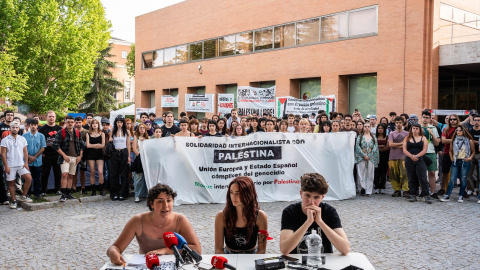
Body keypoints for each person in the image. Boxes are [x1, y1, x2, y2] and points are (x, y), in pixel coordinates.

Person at [106, 184, 201, 264]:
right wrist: (113, 253)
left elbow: (197, 249)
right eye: (160, 201)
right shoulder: (138, 221)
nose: (165, 206)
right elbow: (114, 247)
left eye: (169, 201)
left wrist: (165, 251)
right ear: (151, 204)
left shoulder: (180, 219)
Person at [280, 173, 350, 255]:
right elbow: (284, 250)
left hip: (323, 261)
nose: (311, 202)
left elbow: (345, 249)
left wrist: (320, 222)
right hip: (297, 261)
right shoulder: (290, 212)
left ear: (322, 198)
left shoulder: (329, 211)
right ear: (301, 194)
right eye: (307, 195)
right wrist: (308, 222)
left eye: (316, 197)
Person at [215, 176, 268, 254]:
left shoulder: (260, 216)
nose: (233, 197)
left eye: (238, 193)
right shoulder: (221, 216)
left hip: (252, 255)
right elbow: (218, 250)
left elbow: (261, 250)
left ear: (248, 194)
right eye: (231, 192)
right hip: (229, 255)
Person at [1, 121, 33, 209]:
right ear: (10, 128)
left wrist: (26, 163)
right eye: (13, 127)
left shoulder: (22, 139)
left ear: (19, 128)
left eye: (16, 127)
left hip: (21, 164)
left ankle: (23, 196)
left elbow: (25, 152)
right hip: (10, 165)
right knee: (11, 183)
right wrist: (6, 166)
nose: (14, 129)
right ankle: (14, 200)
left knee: (29, 178)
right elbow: (3, 154)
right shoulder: (5, 140)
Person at [53, 116, 84, 202]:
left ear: (73, 123)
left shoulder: (77, 133)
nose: (70, 123)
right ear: (65, 123)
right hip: (65, 157)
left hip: (75, 157)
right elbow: (55, 145)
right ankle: (63, 194)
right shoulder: (61, 132)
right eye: (68, 122)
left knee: (71, 176)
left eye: (71, 122)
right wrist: (64, 155)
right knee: (64, 174)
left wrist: (80, 156)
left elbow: (82, 145)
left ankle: (68, 193)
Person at [440, 125, 475, 203]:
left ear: (464, 131)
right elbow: (450, 150)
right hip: (455, 161)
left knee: (463, 179)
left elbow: (473, 152)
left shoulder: (469, 141)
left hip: (464, 161)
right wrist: (451, 157)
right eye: (457, 130)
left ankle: (460, 195)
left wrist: (469, 158)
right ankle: (447, 195)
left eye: (460, 130)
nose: (458, 132)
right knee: (452, 179)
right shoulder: (453, 140)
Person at [403, 123, 432, 203]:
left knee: (422, 177)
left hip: (420, 159)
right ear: (411, 129)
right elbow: (404, 149)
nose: (415, 130)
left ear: (419, 130)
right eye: (413, 128)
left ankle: (426, 195)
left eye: (416, 128)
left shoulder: (423, 138)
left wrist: (417, 156)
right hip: (409, 160)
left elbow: (424, 149)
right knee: (411, 177)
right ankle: (413, 194)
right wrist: (411, 156)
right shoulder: (407, 138)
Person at [109, 116, 131, 201]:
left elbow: (128, 144)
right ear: (115, 123)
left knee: (124, 174)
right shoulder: (112, 131)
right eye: (118, 122)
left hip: (124, 152)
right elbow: (110, 143)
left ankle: (123, 193)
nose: (119, 124)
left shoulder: (127, 132)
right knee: (114, 174)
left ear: (123, 123)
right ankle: (114, 193)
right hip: (115, 153)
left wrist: (129, 156)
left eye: (121, 122)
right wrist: (110, 139)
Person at [22, 119, 46, 199]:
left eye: (35, 125)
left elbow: (43, 148)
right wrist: (29, 157)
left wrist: (34, 157)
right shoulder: (24, 136)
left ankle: (37, 194)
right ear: (29, 126)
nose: (33, 126)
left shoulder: (41, 136)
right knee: (27, 178)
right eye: (32, 125)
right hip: (27, 161)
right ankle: (27, 193)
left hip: (37, 161)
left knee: (37, 178)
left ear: (37, 126)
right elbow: (22, 148)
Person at [354, 122, 379, 196]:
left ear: (370, 127)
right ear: (363, 127)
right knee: (361, 173)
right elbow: (357, 146)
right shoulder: (360, 137)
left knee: (370, 174)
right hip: (362, 157)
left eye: (368, 126)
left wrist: (370, 155)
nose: (367, 128)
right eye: (365, 126)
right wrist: (363, 155)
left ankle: (368, 190)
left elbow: (375, 147)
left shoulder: (374, 137)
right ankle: (362, 188)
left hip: (371, 157)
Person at [421, 111, 440, 198]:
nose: (425, 119)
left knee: (432, 172)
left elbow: (437, 143)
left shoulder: (433, 128)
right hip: (420, 152)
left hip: (431, 152)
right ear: (421, 117)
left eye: (427, 117)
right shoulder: (417, 127)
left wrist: (432, 133)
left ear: (430, 119)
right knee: (421, 173)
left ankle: (433, 192)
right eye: (424, 117)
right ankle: (423, 192)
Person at [388, 116, 409, 197]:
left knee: (404, 174)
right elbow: (390, 144)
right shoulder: (392, 133)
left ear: (402, 123)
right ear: (395, 123)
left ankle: (405, 190)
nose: (398, 124)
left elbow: (406, 145)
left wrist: (395, 145)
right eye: (397, 123)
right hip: (393, 157)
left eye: (400, 122)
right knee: (393, 174)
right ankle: (397, 190)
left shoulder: (407, 133)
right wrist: (401, 144)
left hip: (404, 156)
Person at [439, 114, 459, 195]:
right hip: (447, 152)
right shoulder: (446, 129)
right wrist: (456, 140)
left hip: (459, 153)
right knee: (445, 172)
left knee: (460, 173)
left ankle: (462, 191)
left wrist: (449, 140)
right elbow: (443, 141)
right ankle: (443, 188)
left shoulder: (461, 129)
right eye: (451, 119)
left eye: (454, 119)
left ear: (457, 120)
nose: (452, 121)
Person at [85, 119, 106, 196]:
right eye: (93, 123)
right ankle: (93, 190)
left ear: (98, 125)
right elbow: (88, 145)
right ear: (91, 125)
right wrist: (97, 145)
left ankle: (101, 189)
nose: (94, 125)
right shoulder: (88, 134)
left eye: (96, 123)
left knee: (100, 172)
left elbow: (103, 145)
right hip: (90, 155)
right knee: (92, 172)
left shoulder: (102, 134)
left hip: (99, 154)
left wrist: (93, 146)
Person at [132, 123, 149, 203]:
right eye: (140, 128)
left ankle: (144, 194)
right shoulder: (136, 137)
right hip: (138, 158)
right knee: (138, 177)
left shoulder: (147, 137)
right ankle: (137, 195)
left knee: (146, 177)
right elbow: (134, 148)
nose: (142, 129)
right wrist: (140, 156)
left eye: (143, 128)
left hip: (146, 158)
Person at [73, 116, 88, 194]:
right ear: (74, 123)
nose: (78, 124)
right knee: (74, 172)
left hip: (83, 155)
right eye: (77, 122)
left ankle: (83, 187)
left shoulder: (86, 132)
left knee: (83, 172)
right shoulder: (72, 131)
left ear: (82, 122)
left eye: (79, 122)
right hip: (74, 154)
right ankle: (74, 187)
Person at [467, 115, 480, 197]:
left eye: (478, 120)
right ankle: (470, 189)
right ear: (473, 121)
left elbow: (471, 141)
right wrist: (477, 142)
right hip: (471, 153)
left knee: (479, 173)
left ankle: (478, 190)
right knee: (469, 173)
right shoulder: (470, 131)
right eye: (475, 120)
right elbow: (468, 141)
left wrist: (474, 142)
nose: (477, 122)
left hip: (479, 154)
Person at [374, 123, 389, 194]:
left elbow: (387, 147)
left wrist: (379, 147)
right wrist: (381, 146)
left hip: (384, 156)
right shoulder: (374, 136)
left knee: (383, 172)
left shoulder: (387, 137)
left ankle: (382, 186)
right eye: (379, 128)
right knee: (376, 172)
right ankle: (376, 186)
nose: (380, 130)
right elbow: (373, 146)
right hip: (376, 156)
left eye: (381, 128)